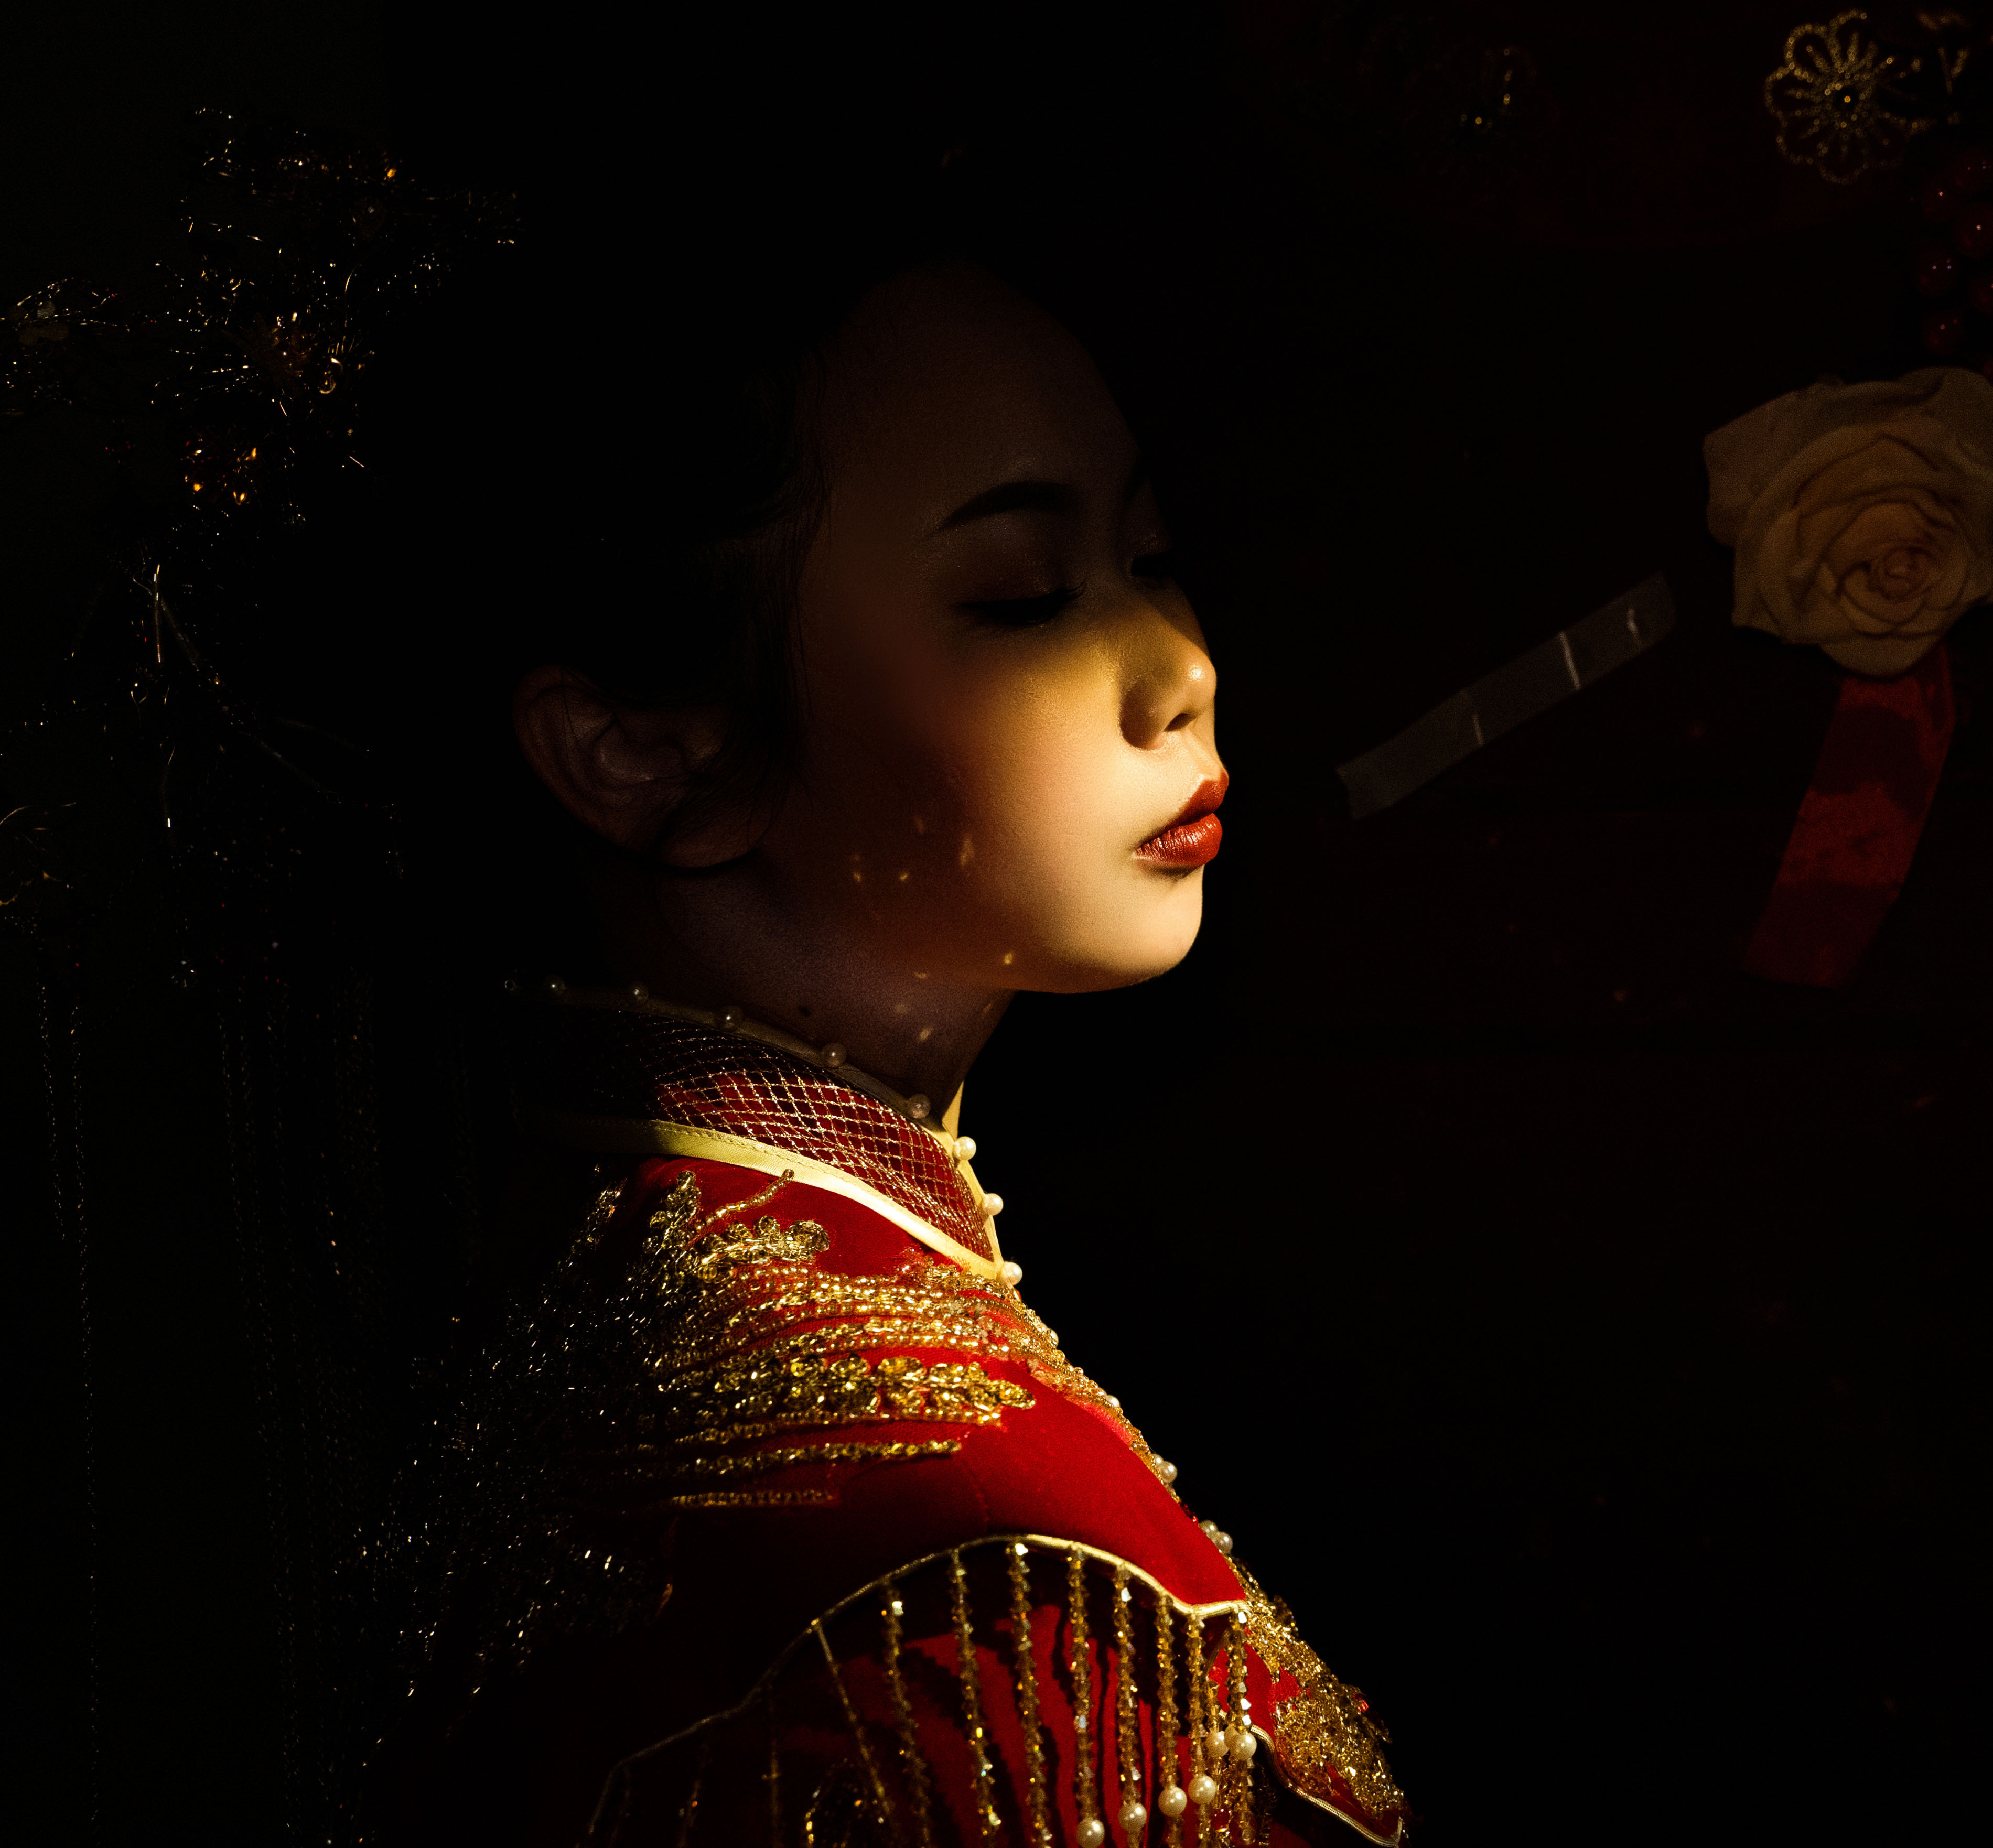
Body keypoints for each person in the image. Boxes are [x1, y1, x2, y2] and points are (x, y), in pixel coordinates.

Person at [372, 161, 1406, 1847]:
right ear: (641, 749)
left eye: (1153, 555)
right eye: (1022, 597)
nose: (1184, 669)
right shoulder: (969, 1563)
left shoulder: (599, 1244)